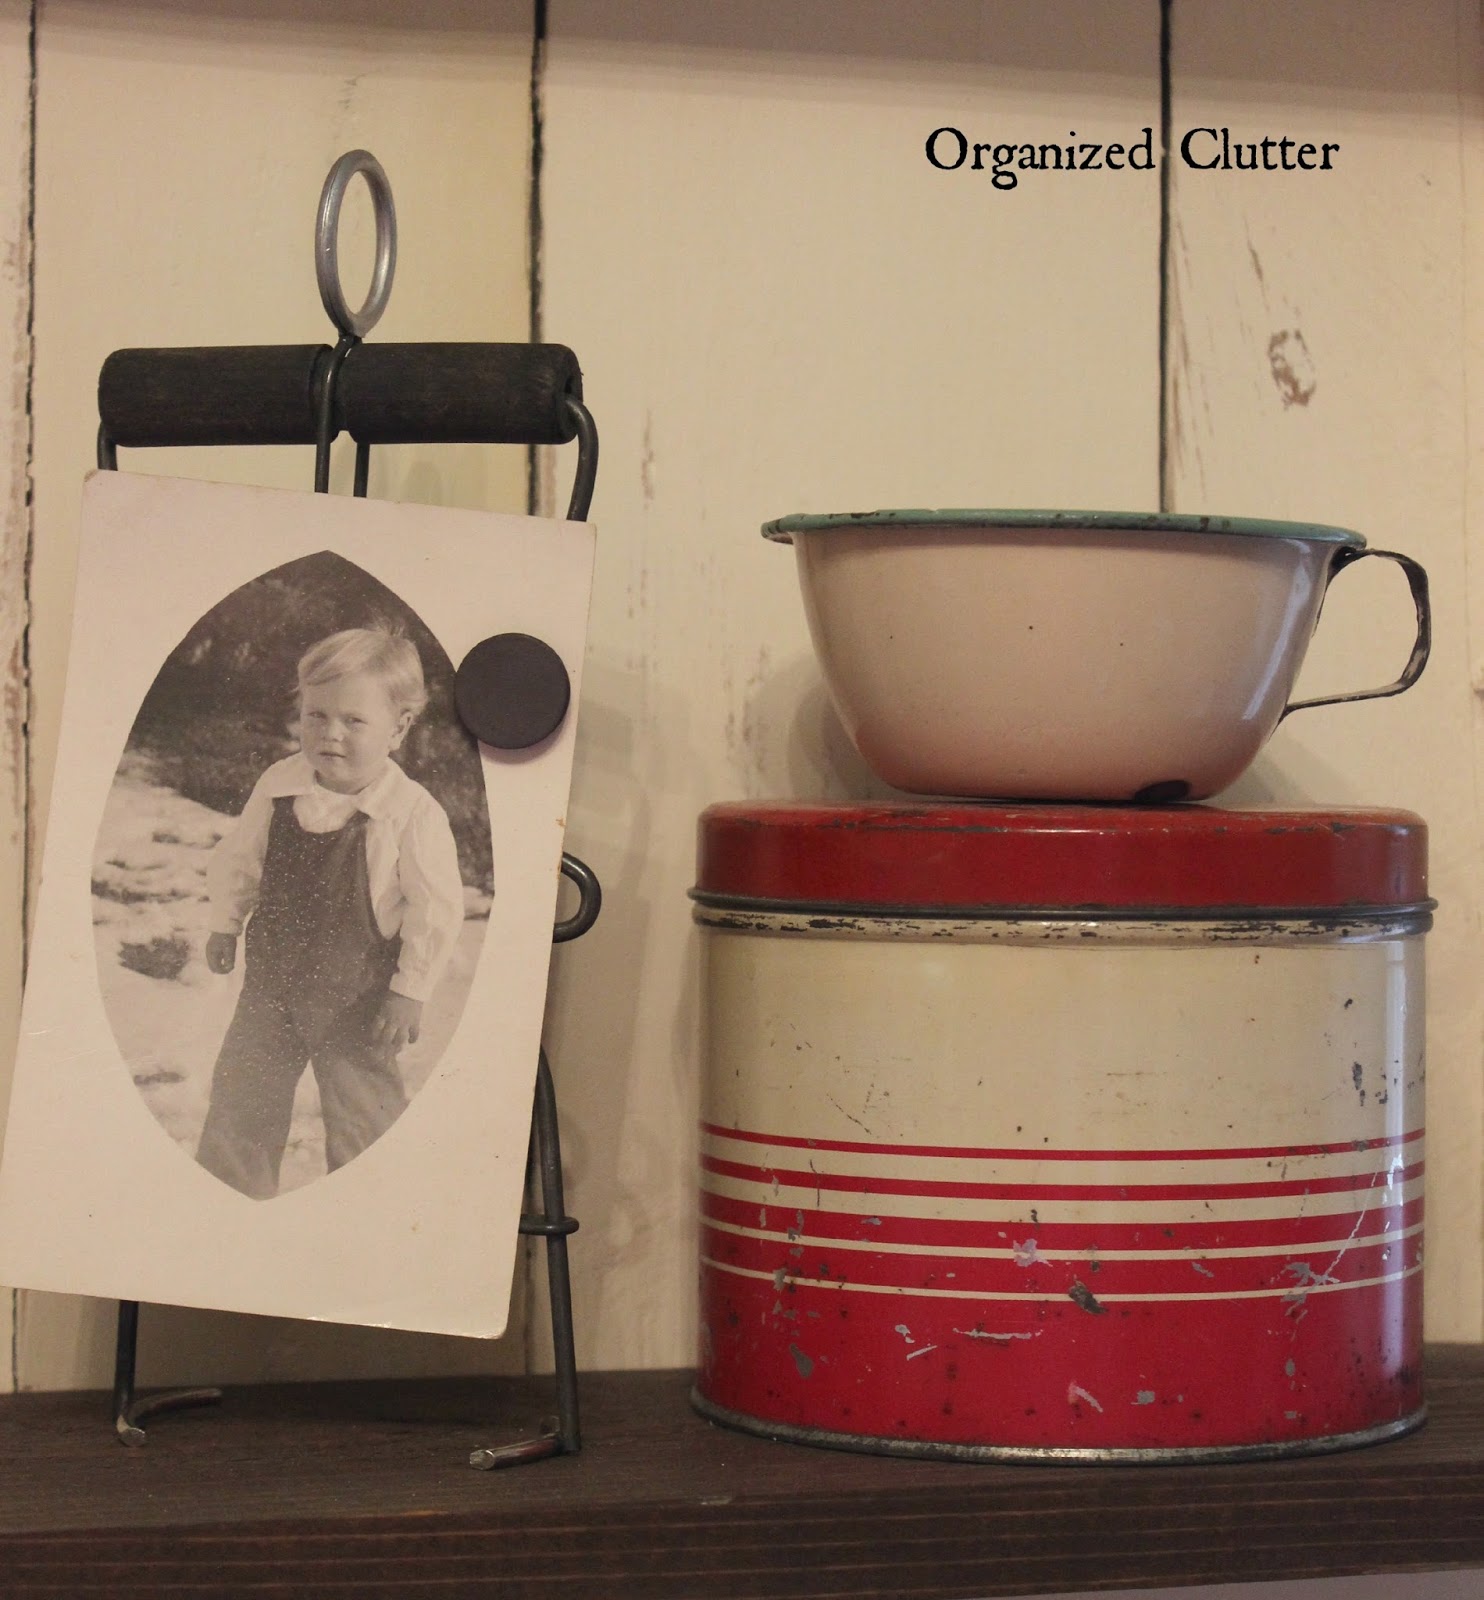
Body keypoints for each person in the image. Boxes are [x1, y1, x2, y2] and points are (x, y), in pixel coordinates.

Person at [195, 627, 466, 1200]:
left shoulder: (410, 814)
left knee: (363, 1117)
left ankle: (368, 1216)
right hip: (270, 987)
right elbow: (242, 858)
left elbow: (435, 911)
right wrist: (225, 921)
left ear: (399, 728)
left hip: (357, 1000)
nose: (330, 734)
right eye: (315, 715)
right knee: (242, 1102)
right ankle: (229, 1207)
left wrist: (410, 990)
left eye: (353, 721)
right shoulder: (280, 785)